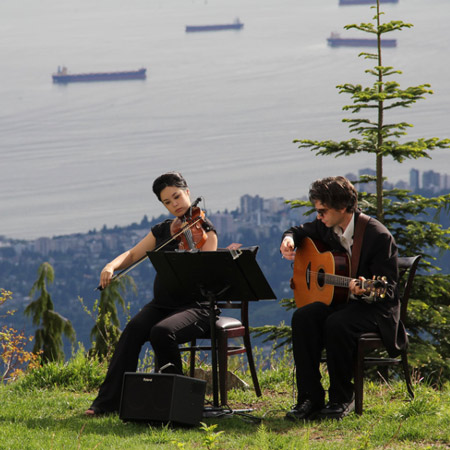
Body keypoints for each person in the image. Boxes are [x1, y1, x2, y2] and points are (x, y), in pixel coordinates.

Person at [85, 172, 218, 416]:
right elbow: (133, 254)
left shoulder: (205, 231)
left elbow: (205, 274)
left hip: (195, 307)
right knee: (132, 331)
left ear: (187, 192)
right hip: (163, 304)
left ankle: (176, 404)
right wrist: (111, 266)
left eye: (177, 196)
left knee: (162, 332)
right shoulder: (163, 230)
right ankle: (107, 403)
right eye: (167, 202)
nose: (174, 204)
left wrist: (188, 256)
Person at [280, 176, 406, 420]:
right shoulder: (326, 225)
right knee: (303, 318)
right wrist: (289, 239)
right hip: (342, 303)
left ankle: (341, 398)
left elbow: (387, 290)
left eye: (322, 210)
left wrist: (365, 289)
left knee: (337, 323)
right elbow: (298, 231)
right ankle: (309, 398)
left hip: (375, 310)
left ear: (342, 207)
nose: (318, 216)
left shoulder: (377, 236)